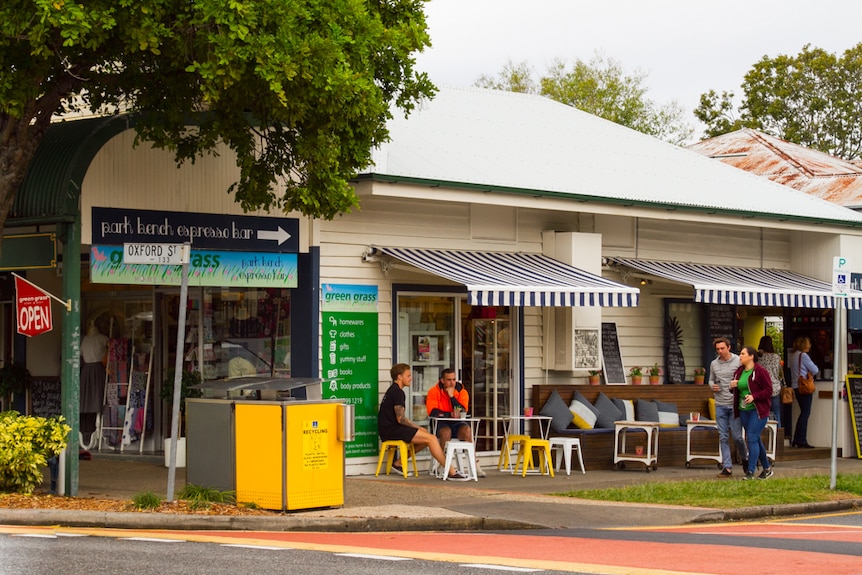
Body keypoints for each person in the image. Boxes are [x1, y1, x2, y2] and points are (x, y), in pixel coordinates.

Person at [378, 363, 466, 480]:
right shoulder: (398, 392)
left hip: (388, 429)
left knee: (426, 438)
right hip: (392, 430)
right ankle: (451, 471)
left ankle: (398, 463)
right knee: (432, 438)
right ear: (399, 377)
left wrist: (418, 429)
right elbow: (401, 419)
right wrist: (417, 427)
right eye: (408, 376)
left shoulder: (393, 390)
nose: (411, 378)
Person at [732, 346, 774, 480]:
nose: (740, 356)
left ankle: (750, 471)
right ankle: (767, 469)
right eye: (740, 354)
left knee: (751, 437)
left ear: (751, 356)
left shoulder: (760, 372)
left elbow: (768, 390)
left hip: (758, 410)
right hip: (744, 410)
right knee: (755, 438)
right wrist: (732, 386)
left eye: (743, 354)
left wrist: (754, 396)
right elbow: (736, 390)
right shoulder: (739, 371)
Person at [709, 337, 748, 478]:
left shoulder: (738, 361)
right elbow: (711, 378)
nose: (720, 351)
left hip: (734, 403)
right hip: (720, 403)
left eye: (722, 348)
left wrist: (738, 384)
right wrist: (712, 385)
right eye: (718, 349)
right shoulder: (714, 364)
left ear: (729, 347)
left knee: (737, 437)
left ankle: (745, 458)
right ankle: (727, 467)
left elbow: (747, 376)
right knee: (723, 436)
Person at [425, 368, 472, 446]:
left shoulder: (462, 392)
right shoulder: (433, 391)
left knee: (467, 430)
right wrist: (449, 415)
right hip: (440, 423)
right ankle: (442, 457)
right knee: (446, 432)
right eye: (449, 380)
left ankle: (472, 457)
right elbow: (433, 412)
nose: (452, 383)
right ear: (442, 380)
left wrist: (452, 397)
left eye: (454, 379)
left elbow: (462, 411)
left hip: (458, 423)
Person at [80, 322, 109, 445]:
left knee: (97, 397)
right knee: (93, 397)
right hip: (95, 370)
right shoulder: (88, 339)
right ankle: (88, 430)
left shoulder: (97, 338)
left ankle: (96, 428)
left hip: (91, 370)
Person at [788, 336, 819, 448]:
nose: (809, 345)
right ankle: (801, 439)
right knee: (805, 413)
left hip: (796, 386)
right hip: (804, 387)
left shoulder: (793, 356)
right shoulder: (803, 355)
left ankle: (797, 439)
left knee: (803, 413)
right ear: (804, 345)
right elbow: (815, 370)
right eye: (808, 343)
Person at [757, 335, 783, 427]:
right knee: (776, 413)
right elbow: (778, 372)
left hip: (762, 388)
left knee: (762, 413)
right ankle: (778, 435)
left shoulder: (759, 357)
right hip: (775, 387)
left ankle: (764, 433)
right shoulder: (776, 357)